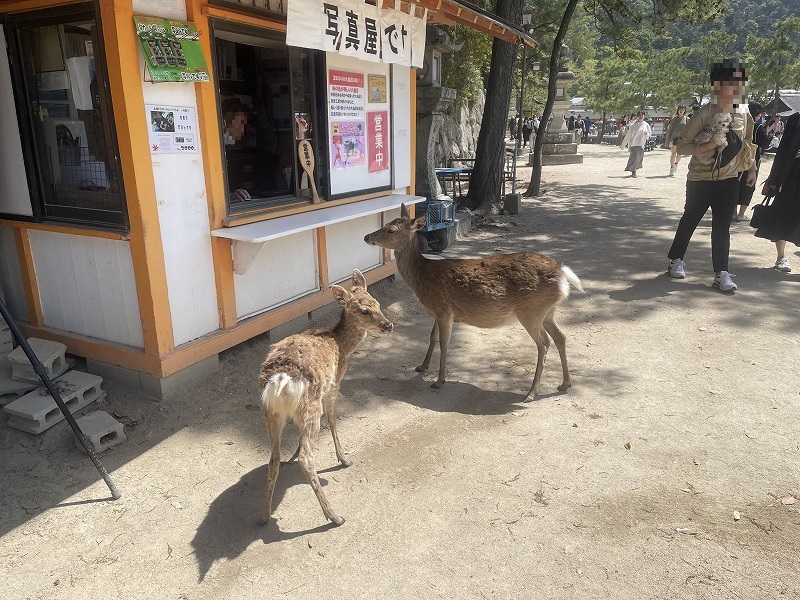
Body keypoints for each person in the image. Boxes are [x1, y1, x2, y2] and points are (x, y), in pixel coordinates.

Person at [666, 59, 757, 293]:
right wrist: (707, 147)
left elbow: (748, 142)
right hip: (700, 178)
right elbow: (681, 146)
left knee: (722, 226)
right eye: (732, 82)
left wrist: (751, 168)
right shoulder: (705, 113)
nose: (737, 87)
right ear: (718, 85)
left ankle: (721, 273)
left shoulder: (743, 111)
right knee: (690, 220)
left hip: (729, 178)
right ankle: (676, 259)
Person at [752, 111, 800, 272]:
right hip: (792, 175)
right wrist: (773, 179)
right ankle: (781, 257)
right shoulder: (796, 119)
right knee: (783, 213)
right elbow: (784, 151)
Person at [735, 101, 767, 221]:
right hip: (753, 157)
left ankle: (733, 212)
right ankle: (741, 214)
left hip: (739, 157)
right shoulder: (758, 126)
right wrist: (767, 130)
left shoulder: (742, 122)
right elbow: (762, 143)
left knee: (736, 183)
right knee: (749, 184)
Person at [221, 98, 252, 202]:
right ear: (226, 121)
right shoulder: (217, 150)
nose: (243, 129)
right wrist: (229, 196)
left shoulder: (231, 147)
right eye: (241, 122)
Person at [620, 111, 651, 177]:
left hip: (641, 143)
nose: (641, 117)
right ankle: (633, 171)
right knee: (635, 156)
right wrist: (623, 144)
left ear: (644, 116)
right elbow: (628, 135)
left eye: (642, 115)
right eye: (639, 115)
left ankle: (633, 169)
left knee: (639, 158)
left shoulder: (646, 125)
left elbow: (649, 133)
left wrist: (646, 134)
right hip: (633, 143)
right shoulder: (633, 125)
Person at [665, 105, 689, 176]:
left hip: (682, 139)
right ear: (678, 110)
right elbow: (670, 130)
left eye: (683, 109)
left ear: (684, 111)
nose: (681, 110)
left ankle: (676, 164)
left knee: (679, 154)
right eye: (680, 109)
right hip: (674, 138)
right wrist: (668, 140)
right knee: (673, 154)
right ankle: (672, 168)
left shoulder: (687, 119)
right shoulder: (674, 119)